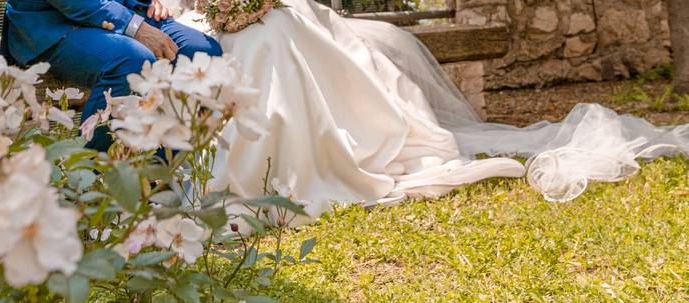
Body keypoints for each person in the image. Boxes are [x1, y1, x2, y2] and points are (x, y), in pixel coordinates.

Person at [169, 0, 688, 217]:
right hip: (191, 18)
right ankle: (232, 164)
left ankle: (310, 155)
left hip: (277, 15)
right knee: (247, 44)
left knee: (276, 34)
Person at [1, 0, 223, 150]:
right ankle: (94, 181)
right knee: (132, 60)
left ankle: (163, 171)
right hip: (54, 23)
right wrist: (134, 27)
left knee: (202, 54)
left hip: (124, 9)